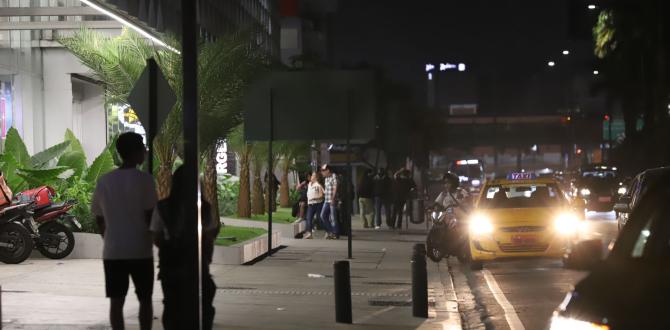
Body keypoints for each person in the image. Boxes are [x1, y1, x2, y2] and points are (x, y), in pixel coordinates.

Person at [91, 132, 157, 330]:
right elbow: (150, 216)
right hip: (140, 250)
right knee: (145, 299)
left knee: (116, 302)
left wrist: (109, 237)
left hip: (113, 251)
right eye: (143, 148)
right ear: (136, 152)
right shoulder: (145, 180)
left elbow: (99, 217)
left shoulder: (105, 181)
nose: (145, 152)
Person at [151, 165, 220, 330]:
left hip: (170, 266)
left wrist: (170, 245)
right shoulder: (204, 207)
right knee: (203, 306)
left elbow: (156, 236)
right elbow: (209, 236)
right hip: (197, 266)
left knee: (172, 308)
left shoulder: (163, 207)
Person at [320, 164, 339, 239]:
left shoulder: (334, 176)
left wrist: (333, 198)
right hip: (326, 200)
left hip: (332, 200)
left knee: (333, 218)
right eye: (322, 171)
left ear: (328, 170)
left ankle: (335, 233)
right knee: (322, 215)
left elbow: (335, 188)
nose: (322, 172)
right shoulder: (326, 178)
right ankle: (331, 231)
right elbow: (326, 190)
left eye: (323, 171)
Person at [304, 171, 325, 239]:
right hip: (310, 204)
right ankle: (309, 234)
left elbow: (322, 195)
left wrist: (314, 198)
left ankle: (328, 231)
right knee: (308, 218)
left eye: (313, 175)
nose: (311, 176)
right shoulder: (309, 184)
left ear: (316, 177)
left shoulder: (319, 184)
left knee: (320, 219)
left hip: (318, 204)